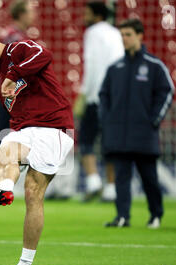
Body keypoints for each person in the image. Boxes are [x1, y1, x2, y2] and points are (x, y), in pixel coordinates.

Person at [0, 25, 74, 265]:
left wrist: (13, 73)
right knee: (4, 151)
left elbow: (44, 55)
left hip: (55, 127)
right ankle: (3, 189)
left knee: (33, 193)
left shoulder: (19, 49)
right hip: (27, 129)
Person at [99, 19, 175, 228]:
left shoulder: (154, 66)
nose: (124, 39)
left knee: (149, 178)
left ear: (140, 36)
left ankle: (156, 215)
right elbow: (103, 96)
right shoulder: (115, 68)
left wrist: (154, 120)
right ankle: (122, 217)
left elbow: (167, 92)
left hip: (144, 134)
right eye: (121, 35)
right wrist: (107, 120)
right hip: (119, 135)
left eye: (128, 34)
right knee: (121, 178)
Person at [0, 0, 37, 190]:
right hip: (11, 96)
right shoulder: (13, 37)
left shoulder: (17, 35)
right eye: (30, 12)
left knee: (3, 135)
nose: (33, 15)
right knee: (4, 136)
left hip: (13, 95)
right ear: (21, 14)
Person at [73, 1, 124, 202]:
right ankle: (111, 188)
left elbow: (92, 64)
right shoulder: (115, 33)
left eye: (87, 13)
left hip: (97, 95)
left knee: (86, 138)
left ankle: (94, 181)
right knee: (110, 142)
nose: (84, 17)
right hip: (116, 95)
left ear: (97, 16)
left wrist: (85, 94)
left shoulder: (92, 33)